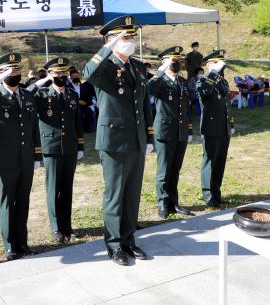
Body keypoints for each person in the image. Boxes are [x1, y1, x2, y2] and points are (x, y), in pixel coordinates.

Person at [82, 15, 154, 266]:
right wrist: (108, 47)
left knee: (132, 194)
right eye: (125, 36)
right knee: (115, 195)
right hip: (113, 141)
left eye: (131, 36)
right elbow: (87, 72)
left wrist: (149, 136)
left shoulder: (136, 67)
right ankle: (113, 246)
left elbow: (144, 104)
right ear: (111, 40)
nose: (130, 40)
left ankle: (128, 240)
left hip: (135, 139)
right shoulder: (105, 66)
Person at [0, 53, 42, 261]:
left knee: (23, 200)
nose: (15, 73)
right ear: (1, 73)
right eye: (9, 70)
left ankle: (23, 242)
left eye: (17, 70)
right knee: (8, 200)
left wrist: (37, 154)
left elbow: (33, 127)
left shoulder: (28, 95)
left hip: (26, 157)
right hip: (6, 157)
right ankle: (10, 245)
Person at [27, 57, 84, 243]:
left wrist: (80, 145)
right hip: (51, 147)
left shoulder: (72, 94)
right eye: (56, 73)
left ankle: (67, 226)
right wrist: (40, 81)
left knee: (67, 188)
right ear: (50, 75)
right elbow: (26, 93)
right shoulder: (42, 94)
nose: (61, 76)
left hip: (69, 146)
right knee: (53, 188)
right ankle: (56, 227)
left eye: (63, 72)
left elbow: (77, 122)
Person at [148, 47, 194, 220]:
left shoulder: (182, 81)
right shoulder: (159, 81)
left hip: (180, 132)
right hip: (165, 132)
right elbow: (149, 90)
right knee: (164, 170)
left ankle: (174, 202)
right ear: (165, 62)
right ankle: (162, 203)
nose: (176, 64)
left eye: (178, 61)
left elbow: (187, 109)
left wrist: (189, 129)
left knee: (175, 169)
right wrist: (160, 71)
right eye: (172, 61)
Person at [196, 50, 235, 208]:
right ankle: (208, 195)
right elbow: (205, 91)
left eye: (222, 63)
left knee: (220, 162)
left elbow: (227, 105)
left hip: (223, 128)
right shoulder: (203, 80)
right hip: (211, 129)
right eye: (217, 63)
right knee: (210, 162)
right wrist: (212, 73)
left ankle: (216, 193)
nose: (221, 66)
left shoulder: (223, 82)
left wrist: (230, 124)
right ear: (210, 65)